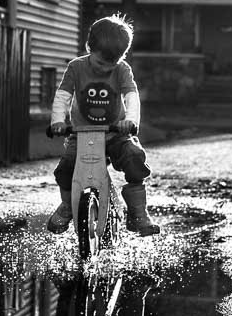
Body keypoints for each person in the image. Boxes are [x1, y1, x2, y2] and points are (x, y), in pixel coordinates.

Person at [47, 14, 157, 236]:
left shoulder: (122, 70)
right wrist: (58, 121)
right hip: (81, 134)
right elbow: (63, 96)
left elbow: (131, 96)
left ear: (121, 57)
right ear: (89, 47)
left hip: (116, 134)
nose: (105, 69)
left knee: (134, 157)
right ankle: (68, 206)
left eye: (111, 65)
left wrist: (131, 121)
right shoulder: (76, 68)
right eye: (100, 63)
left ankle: (137, 214)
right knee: (65, 170)